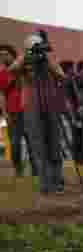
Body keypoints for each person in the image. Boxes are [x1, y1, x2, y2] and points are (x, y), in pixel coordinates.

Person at [18, 32, 66, 195]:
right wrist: (25, 57)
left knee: (54, 143)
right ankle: (45, 184)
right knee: (38, 145)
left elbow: (61, 76)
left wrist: (49, 61)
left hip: (50, 106)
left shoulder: (48, 59)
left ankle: (58, 180)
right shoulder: (23, 60)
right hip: (31, 107)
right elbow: (12, 70)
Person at [0, 44, 30, 178]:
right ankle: (18, 169)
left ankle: (36, 169)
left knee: (31, 140)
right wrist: (4, 112)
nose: (3, 57)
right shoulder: (1, 74)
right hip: (12, 112)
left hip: (27, 109)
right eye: (1, 55)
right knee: (14, 142)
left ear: (13, 55)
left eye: (6, 54)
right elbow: (1, 94)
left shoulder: (22, 69)